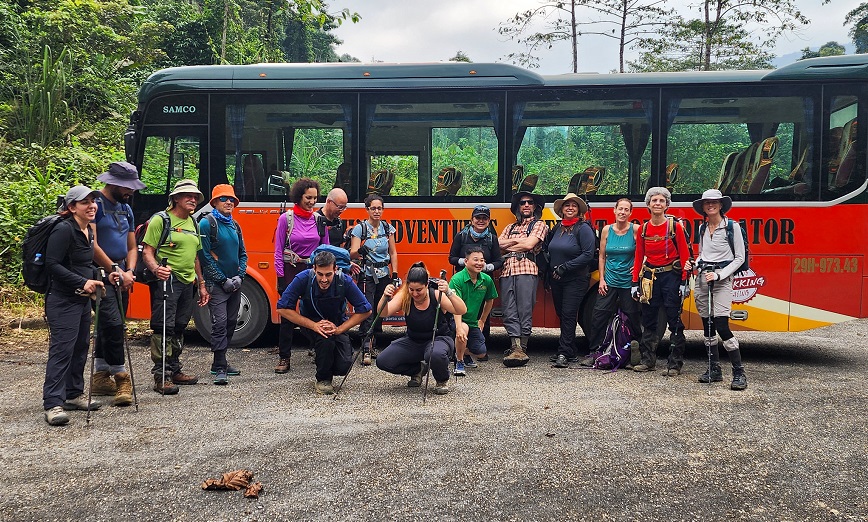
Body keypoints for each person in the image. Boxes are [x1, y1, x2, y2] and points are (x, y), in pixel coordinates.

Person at [41, 186, 106, 425]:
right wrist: (83, 281)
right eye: (84, 202)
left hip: (80, 300)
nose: (91, 206)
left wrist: (104, 278)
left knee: (80, 347)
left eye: (93, 201)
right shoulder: (63, 230)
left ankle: (73, 394)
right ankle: (53, 404)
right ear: (71, 207)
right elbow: (52, 265)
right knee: (62, 351)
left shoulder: (87, 230)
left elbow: (83, 264)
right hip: (61, 300)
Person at [141, 179, 210, 394]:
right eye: (188, 196)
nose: (193, 200)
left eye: (195, 197)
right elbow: (147, 251)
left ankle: (175, 369)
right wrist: (156, 270)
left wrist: (202, 284)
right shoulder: (160, 220)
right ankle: (161, 376)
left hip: (187, 282)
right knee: (164, 327)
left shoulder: (194, 223)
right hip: (167, 281)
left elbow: (196, 257)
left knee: (179, 327)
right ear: (175, 199)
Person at [276, 250, 373, 395]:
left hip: (337, 324)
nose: (324, 279)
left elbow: (366, 310)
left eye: (328, 274)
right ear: (314, 269)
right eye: (320, 274)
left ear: (336, 269)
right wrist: (314, 325)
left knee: (343, 366)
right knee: (325, 339)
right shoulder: (303, 279)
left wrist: (340, 329)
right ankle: (323, 379)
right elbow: (282, 308)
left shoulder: (344, 280)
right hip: (310, 323)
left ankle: (323, 358)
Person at [90, 162, 146, 407]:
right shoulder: (94, 205)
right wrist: (114, 269)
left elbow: (132, 245)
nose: (130, 192)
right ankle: (122, 376)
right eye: (126, 187)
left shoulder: (126, 208)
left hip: (123, 272)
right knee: (114, 323)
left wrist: (129, 271)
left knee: (107, 323)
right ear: (112, 182)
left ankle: (100, 376)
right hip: (99, 273)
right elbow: (91, 244)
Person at [375, 262, 466, 395]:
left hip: (439, 338)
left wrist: (448, 292)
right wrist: (384, 297)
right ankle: (418, 370)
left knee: (434, 354)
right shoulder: (405, 296)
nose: (415, 294)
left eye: (419, 290)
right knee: (383, 360)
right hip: (414, 340)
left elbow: (461, 309)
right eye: (411, 289)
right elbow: (382, 313)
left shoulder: (436, 295)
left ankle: (441, 380)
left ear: (426, 285)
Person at [692, 189, 748, 390]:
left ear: (721, 205)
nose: (710, 205)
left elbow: (739, 258)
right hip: (702, 279)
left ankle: (739, 372)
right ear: (703, 207)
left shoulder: (732, 227)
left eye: (714, 202)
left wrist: (719, 275)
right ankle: (714, 369)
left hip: (721, 281)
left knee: (722, 325)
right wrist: (695, 264)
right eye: (707, 203)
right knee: (707, 326)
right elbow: (701, 254)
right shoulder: (702, 228)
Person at [631, 187, 690, 376]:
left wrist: (684, 282)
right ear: (648, 204)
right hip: (650, 278)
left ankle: (674, 364)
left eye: (661, 201)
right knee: (648, 320)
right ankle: (648, 361)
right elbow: (639, 256)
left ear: (667, 205)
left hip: (671, 277)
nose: (657, 203)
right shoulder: (644, 228)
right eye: (654, 200)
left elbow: (685, 256)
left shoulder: (675, 227)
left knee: (674, 320)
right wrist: (634, 283)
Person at [273, 178, 326, 374]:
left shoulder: (319, 220)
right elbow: (278, 250)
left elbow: (325, 250)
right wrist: (280, 277)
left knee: (315, 310)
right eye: (308, 197)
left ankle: (320, 350)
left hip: (312, 271)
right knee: (287, 314)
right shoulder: (285, 219)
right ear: (299, 197)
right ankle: (284, 357)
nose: (312, 202)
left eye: (315, 198)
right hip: (290, 270)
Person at [582, 198, 642, 366]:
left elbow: (644, 252)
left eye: (626, 210)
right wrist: (601, 279)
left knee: (633, 316)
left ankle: (637, 351)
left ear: (630, 213)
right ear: (614, 211)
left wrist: (638, 269)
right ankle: (595, 352)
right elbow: (601, 256)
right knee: (598, 315)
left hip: (628, 283)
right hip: (609, 281)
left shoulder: (636, 230)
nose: (622, 212)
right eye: (620, 209)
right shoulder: (607, 230)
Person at [199, 184, 248, 385]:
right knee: (219, 323)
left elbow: (243, 254)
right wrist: (222, 280)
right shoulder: (206, 224)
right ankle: (220, 366)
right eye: (223, 199)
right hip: (216, 284)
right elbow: (204, 257)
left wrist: (240, 277)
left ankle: (220, 361)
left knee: (230, 323)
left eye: (232, 200)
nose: (229, 202)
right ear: (214, 202)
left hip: (234, 283)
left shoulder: (235, 225)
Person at [498, 190, 548, 367]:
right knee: (508, 309)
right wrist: (518, 244)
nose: (526, 205)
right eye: (522, 202)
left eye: (530, 202)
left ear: (535, 207)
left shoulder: (539, 225)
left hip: (527, 269)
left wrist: (510, 244)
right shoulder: (509, 227)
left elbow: (529, 244)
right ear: (517, 207)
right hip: (506, 272)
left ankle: (523, 348)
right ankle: (515, 347)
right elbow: (497, 246)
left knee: (524, 308)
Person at [548, 193, 596, 368]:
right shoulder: (557, 228)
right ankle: (569, 350)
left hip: (575, 279)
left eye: (574, 206)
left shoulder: (583, 228)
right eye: (567, 205)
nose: (570, 208)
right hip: (557, 279)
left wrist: (565, 267)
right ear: (561, 209)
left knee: (569, 314)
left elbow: (588, 255)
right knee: (562, 314)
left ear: (578, 210)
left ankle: (563, 352)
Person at [350, 193, 398, 365]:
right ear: (367, 209)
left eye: (379, 208)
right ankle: (366, 348)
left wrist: (395, 273)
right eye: (373, 208)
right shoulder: (360, 229)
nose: (377, 211)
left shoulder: (387, 228)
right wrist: (361, 250)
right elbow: (352, 252)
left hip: (384, 274)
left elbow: (393, 252)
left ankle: (375, 342)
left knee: (380, 309)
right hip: (367, 275)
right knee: (367, 310)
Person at [448, 245, 498, 375]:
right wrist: (458, 328)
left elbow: (490, 300)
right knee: (463, 330)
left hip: (472, 321)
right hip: (456, 318)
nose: (480, 263)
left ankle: (462, 351)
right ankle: (459, 361)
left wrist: (482, 320)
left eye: (482, 260)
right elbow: (455, 308)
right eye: (476, 260)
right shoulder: (457, 279)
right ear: (466, 261)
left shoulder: (486, 279)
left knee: (481, 353)